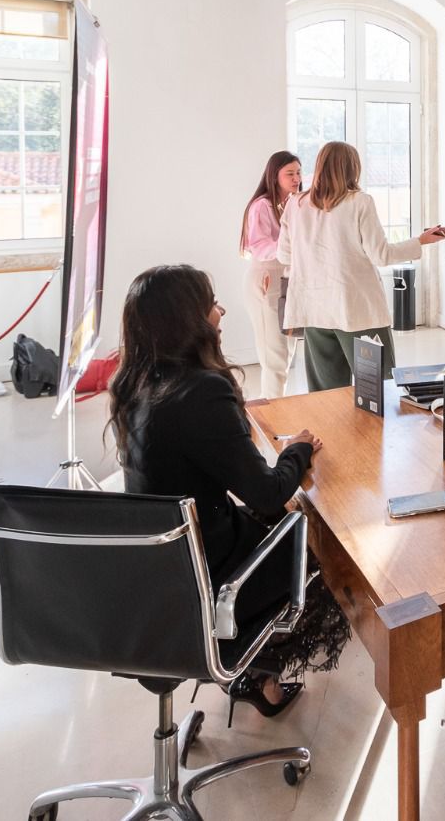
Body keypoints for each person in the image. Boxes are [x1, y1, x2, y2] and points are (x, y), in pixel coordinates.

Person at [108, 265, 350, 715]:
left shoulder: (136, 385)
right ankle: (262, 680)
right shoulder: (201, 391)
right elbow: (265, 492)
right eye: (211, 303)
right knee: (323, 546)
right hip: (209, 579)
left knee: (276, 523)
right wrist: (297, 450)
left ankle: (252, 668)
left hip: (160, 575)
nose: (221, 311)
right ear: (189, 321)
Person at [276, 142, 445, 391]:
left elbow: (284, 255)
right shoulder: (360, 202)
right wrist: (421, 241)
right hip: (357, 310)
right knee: (380, 389)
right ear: (352, 168)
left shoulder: (296, 204)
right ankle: (379, 432)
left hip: (314, 310)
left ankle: (332, 432)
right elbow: (381, 255)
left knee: (326, 394)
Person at [240, 151, 303, 399]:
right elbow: (260, 246)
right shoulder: (262, 206)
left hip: (288, 282)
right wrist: (293, 249)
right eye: (290, 173)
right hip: (266, 281)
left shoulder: (295, 203)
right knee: (274, 358)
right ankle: (273, 419)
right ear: (274, 176)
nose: (296, 178)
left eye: (298, 172)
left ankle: (279, 411)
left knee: (286, 354)